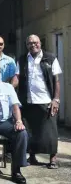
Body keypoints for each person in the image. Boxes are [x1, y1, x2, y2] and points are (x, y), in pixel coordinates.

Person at [17, 34, 62, 169]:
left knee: (50, 131)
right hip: (29, 101)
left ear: (40, 43)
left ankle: (53, 158)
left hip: (46, 100)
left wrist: (56, 99)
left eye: (35, 42)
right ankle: (32, 156)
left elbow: (56, 81)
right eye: (30, 43)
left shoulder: (50, 58)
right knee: (31, 130)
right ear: (27, 46)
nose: (33, 45)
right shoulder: (22, 59)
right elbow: (17, 78)